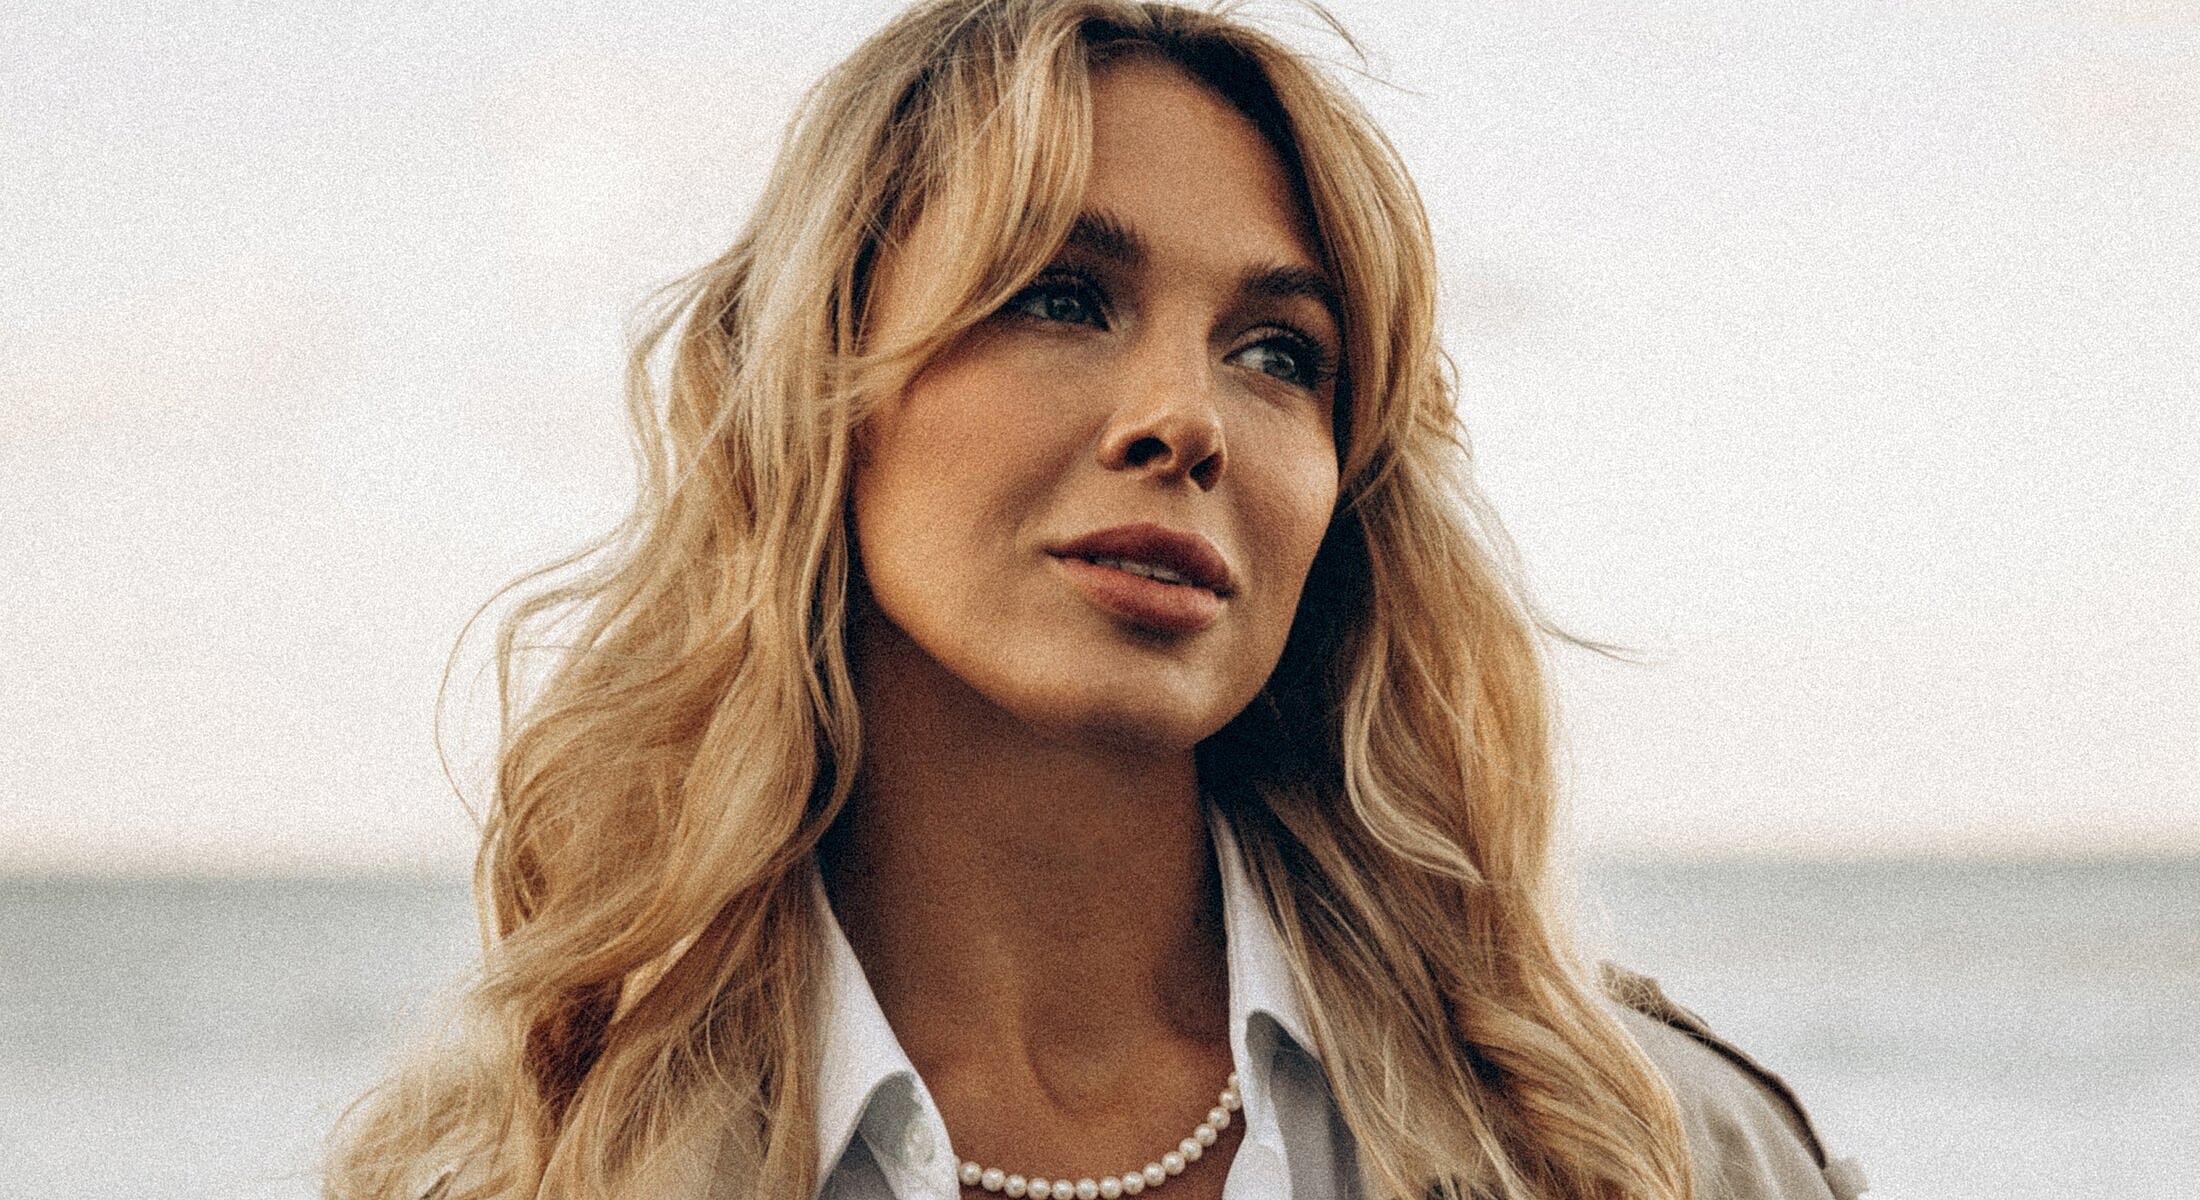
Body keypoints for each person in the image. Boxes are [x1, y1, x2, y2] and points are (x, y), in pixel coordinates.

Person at [328, 2, 1867, 1198]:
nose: (1186, 419)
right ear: (818, 392)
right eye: (1062, 297)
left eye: (1279, 353)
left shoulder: (1641, 1151)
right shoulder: (526, 1170)